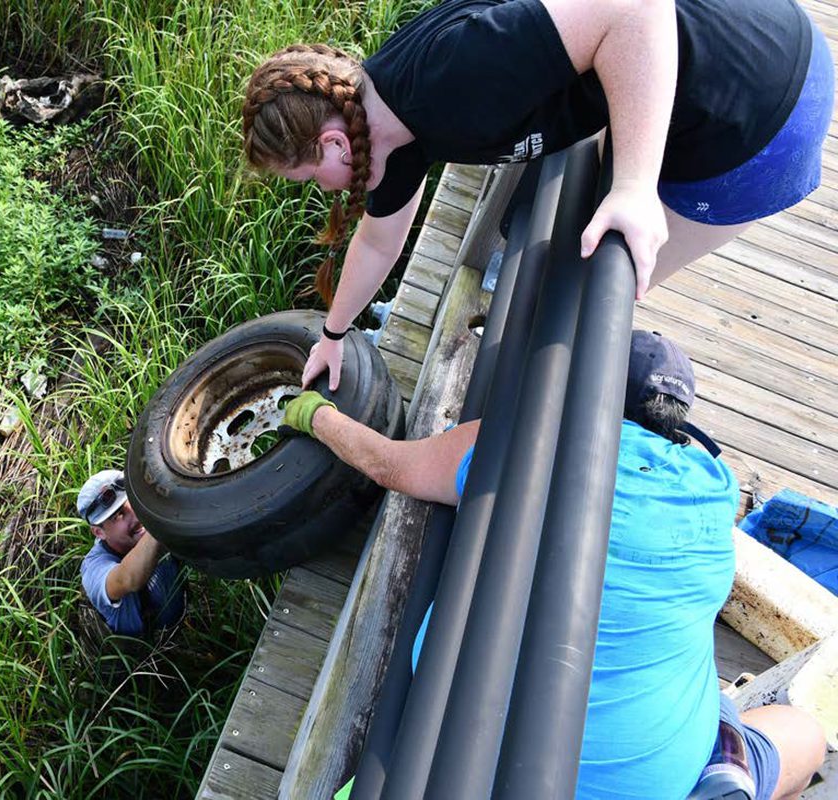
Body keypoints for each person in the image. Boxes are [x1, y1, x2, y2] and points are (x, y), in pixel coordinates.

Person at [280, 331, 827, 799]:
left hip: (463, 753)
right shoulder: (715, 491)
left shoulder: (530, 442)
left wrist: (315, 415)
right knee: (803, 735)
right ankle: (722, 752)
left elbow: (390, 466)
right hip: (651, 780)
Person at [241, 0, 834, 391]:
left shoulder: (448, 79)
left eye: (311, 178)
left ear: (335, 145)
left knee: (586, 299)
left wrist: (633, 185)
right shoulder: (388, 126)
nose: (322, 191)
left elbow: (632, 10)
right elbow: (376, 242)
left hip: (759, 106)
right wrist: (334, 336)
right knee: (563, 280)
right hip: (724, 56)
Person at [77, 469, 185, 637]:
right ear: (99, 533)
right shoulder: (93, 568)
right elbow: (128, 579)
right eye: (118, 516)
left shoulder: (152, 524)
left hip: (184, 627)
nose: (134, 518)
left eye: (133, 504)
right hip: (146, 657)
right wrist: (162, 519)